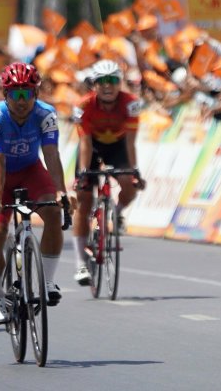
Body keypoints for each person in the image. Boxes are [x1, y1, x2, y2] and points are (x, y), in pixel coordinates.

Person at [0, 62, 73, 324]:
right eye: (15, 95)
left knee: (54, 212)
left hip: (32, 170)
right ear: (5, 95)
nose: (22, 101)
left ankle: (49, 281)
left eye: (27, 94)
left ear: (36, 94)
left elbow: (51, 154)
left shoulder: (46, 115)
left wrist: (61, 191)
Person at [71, 59, 144, 286]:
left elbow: (131, 142)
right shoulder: (83, 106)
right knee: (83, 200)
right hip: (91, 147)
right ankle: (81, 263)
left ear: (119, 83)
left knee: (129, 185)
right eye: (102, 81)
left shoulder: (131, 103)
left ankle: (117, 213)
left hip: (118, 146)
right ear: (94, 84)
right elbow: (83, 141)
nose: (107, 86)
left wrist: (134, 171)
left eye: (112, 80)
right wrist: (83, 172)